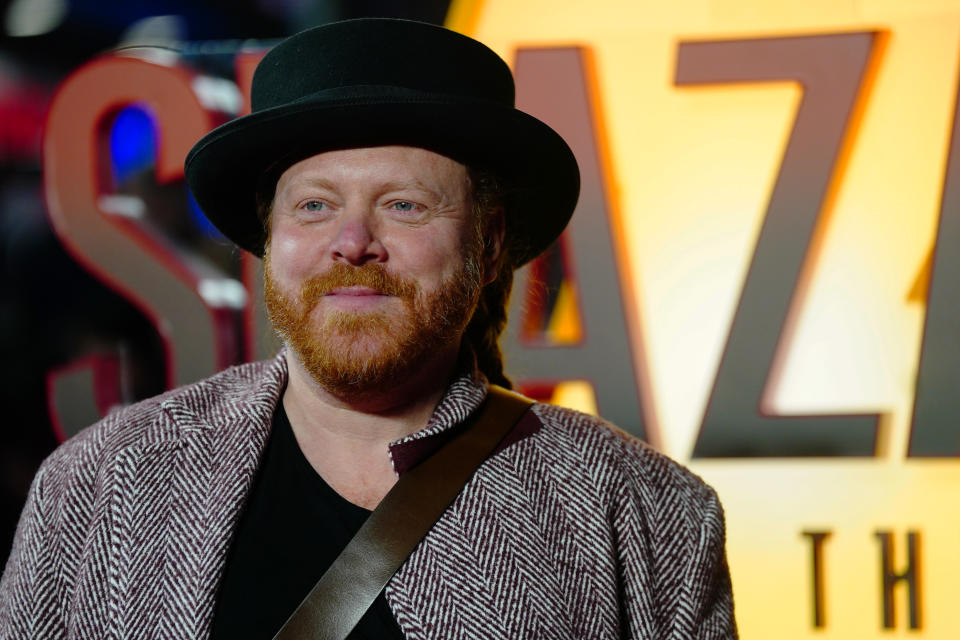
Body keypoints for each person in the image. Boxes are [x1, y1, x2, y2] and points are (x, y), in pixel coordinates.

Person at [0, 17, 736, 639]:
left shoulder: (644, 512)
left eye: (405, 206)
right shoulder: (101, 484)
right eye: (314, 206)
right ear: (269, 239)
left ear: (489, 244)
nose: (352, 242)